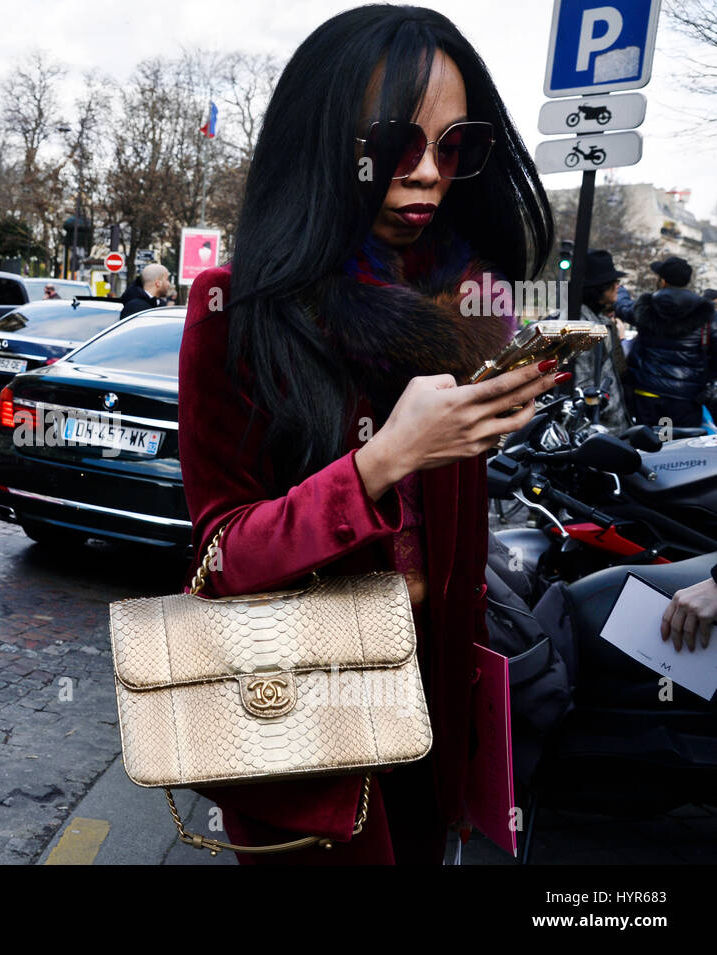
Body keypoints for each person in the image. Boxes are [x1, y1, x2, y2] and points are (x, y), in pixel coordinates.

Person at [178, 5, 562, 865]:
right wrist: (384, 460)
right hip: (306, 739)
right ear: (329, 142)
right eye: (398, 143)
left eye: (454, 146)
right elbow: (222, 554)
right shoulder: (235, 311)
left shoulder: (460, 319)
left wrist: (483, 428)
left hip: (434, 722)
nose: (428, 174)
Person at [621, 254, 717, 430]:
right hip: (685, 396)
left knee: (650, 444)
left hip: (647, 390)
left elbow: (624, 309)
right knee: (676, 448)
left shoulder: (647, 307)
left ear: (663, 281)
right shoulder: (706, 314)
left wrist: (620, 290)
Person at [567, 249, 631, 430]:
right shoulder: (583, 327)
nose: (619, 286)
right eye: (615, 282)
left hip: (609, 429)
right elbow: (582, 388)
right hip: (597, 433)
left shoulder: (598, 321)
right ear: (600, 287)